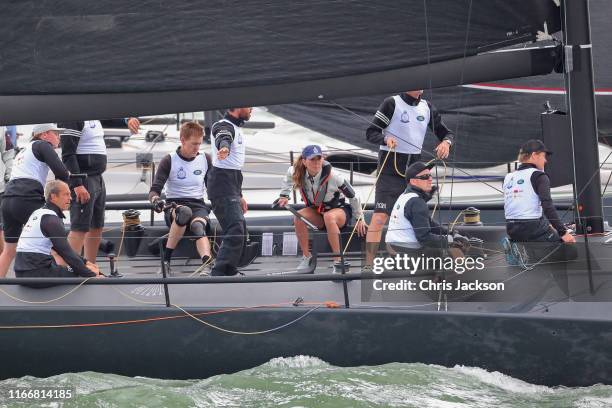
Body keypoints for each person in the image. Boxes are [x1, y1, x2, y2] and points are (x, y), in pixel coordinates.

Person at [365, 90, 454, 268]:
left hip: (413, 171)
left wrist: (446, 143)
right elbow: (370, 132)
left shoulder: (427, 107)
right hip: (390, 169)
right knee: (380, 218)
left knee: (414, 216)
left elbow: (447, 133)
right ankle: (369, 265)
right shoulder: (391, 103)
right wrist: (385, 139)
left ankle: (412, 262)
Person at [58, 118, 140, 264]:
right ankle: (67, 270)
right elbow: (67, 154)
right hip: (83, 179)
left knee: (96, 226)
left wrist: (127, 120)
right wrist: (77, 184)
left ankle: (90, 266)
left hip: (97, 178)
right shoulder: (71, 116)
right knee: (79, 228)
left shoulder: (94, 112)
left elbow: (111, 117)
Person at [277, 145, 367, 273]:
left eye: (319, 158)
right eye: (312, 159)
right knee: (298, 216)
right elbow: (287, 180)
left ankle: (338, 261)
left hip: (339, 211)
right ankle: (307, 257)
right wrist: (284, 196)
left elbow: (354, 196)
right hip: (318, 211)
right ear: (304, 161)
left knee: (329, 216)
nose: (316, 162)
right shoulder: (294, 171)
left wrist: (359, 218)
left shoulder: (335, 176)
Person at [0, 123, 71, 277]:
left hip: (8, 199)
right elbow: (61, 173)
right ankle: (65, 283)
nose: (58, 137)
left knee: (9, 250)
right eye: (55, 134)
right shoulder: (43, 146)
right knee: (56, 244)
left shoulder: (24, 150)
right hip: (27, 197)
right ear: (44, 135)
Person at [149, 122, 213, 275]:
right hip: (174, 206)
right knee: (184, 213)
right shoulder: (169, 160)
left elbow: (212, 188)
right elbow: (154, 191)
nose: (197, 148)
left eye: (199, 144)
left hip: (198, 205)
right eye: (193, 144)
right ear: (182, 140)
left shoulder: (206, 159)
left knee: (198, 226)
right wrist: (156, 201)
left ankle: (208, 263)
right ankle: (166, 260)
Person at [15, 180, 101, 280]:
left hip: (22, 272)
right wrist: (93, 275)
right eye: (66, 194)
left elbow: (64, 250)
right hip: (37, 273)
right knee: (81, 272)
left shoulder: (38, 213)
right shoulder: (51, 220)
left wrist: (86, 262)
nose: (70, 198)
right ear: (53, 196)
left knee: (81, 268)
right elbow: (67, 254)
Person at [386, 161, 466, 258]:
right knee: (454, 251)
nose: (430, 179)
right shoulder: (416, 202)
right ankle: (463, 271)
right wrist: (450, 240)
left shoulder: (405, 195)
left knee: (447, 245)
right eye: (425, 177)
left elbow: (429, 223)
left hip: (395, 248)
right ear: (413, 181)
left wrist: (450, 232)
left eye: (430, 175)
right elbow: (424, 238)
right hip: (409, 253)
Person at [503, 140, 576, 246]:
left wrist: (547, 225)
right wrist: (563, 232)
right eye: (543, 156)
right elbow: (547, 206)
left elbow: (518, 205)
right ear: (534, 155)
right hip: (532, 228)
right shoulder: (539, 176)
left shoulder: (508, 177)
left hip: (511, 229)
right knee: (570, 250)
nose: (545, 160)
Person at [207, 107, 252, 276]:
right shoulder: (224, 125)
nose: (251, 110)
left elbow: (234, 169)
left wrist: (239, 195)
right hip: (222, 183)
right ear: (238, 107)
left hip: (231, 183)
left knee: (240, 227)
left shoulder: (236, 127)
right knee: (235, 228)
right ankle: (219, 272)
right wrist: (224, 148)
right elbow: (223, 136)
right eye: (249, 106)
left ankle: (230, 268)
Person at [0, 126, 16, 255]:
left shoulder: (1, 129)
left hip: (0, 187)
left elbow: (8, 153)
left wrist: (9, 177)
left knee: (0, 228)